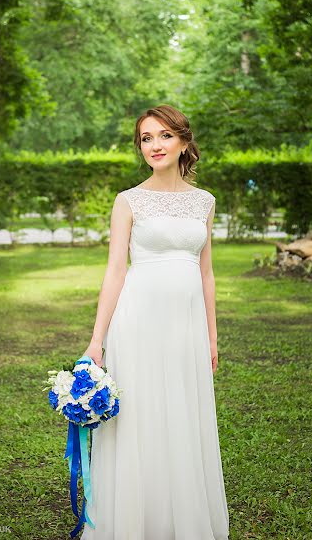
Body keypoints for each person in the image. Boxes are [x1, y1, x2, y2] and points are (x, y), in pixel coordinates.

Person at [81, 104, 230, 539]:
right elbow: (115, 271)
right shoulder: (128, 200)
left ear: (184, 142)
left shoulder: (205, 202)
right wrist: (97, 340)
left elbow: (206, 272)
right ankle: (133, 522)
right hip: (138, 321)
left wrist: (211, 336)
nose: (155, 145)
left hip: (186, 325)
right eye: (146, 138)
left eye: (164, 136)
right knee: (140, 419)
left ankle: (180, 518)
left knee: (183, 414)